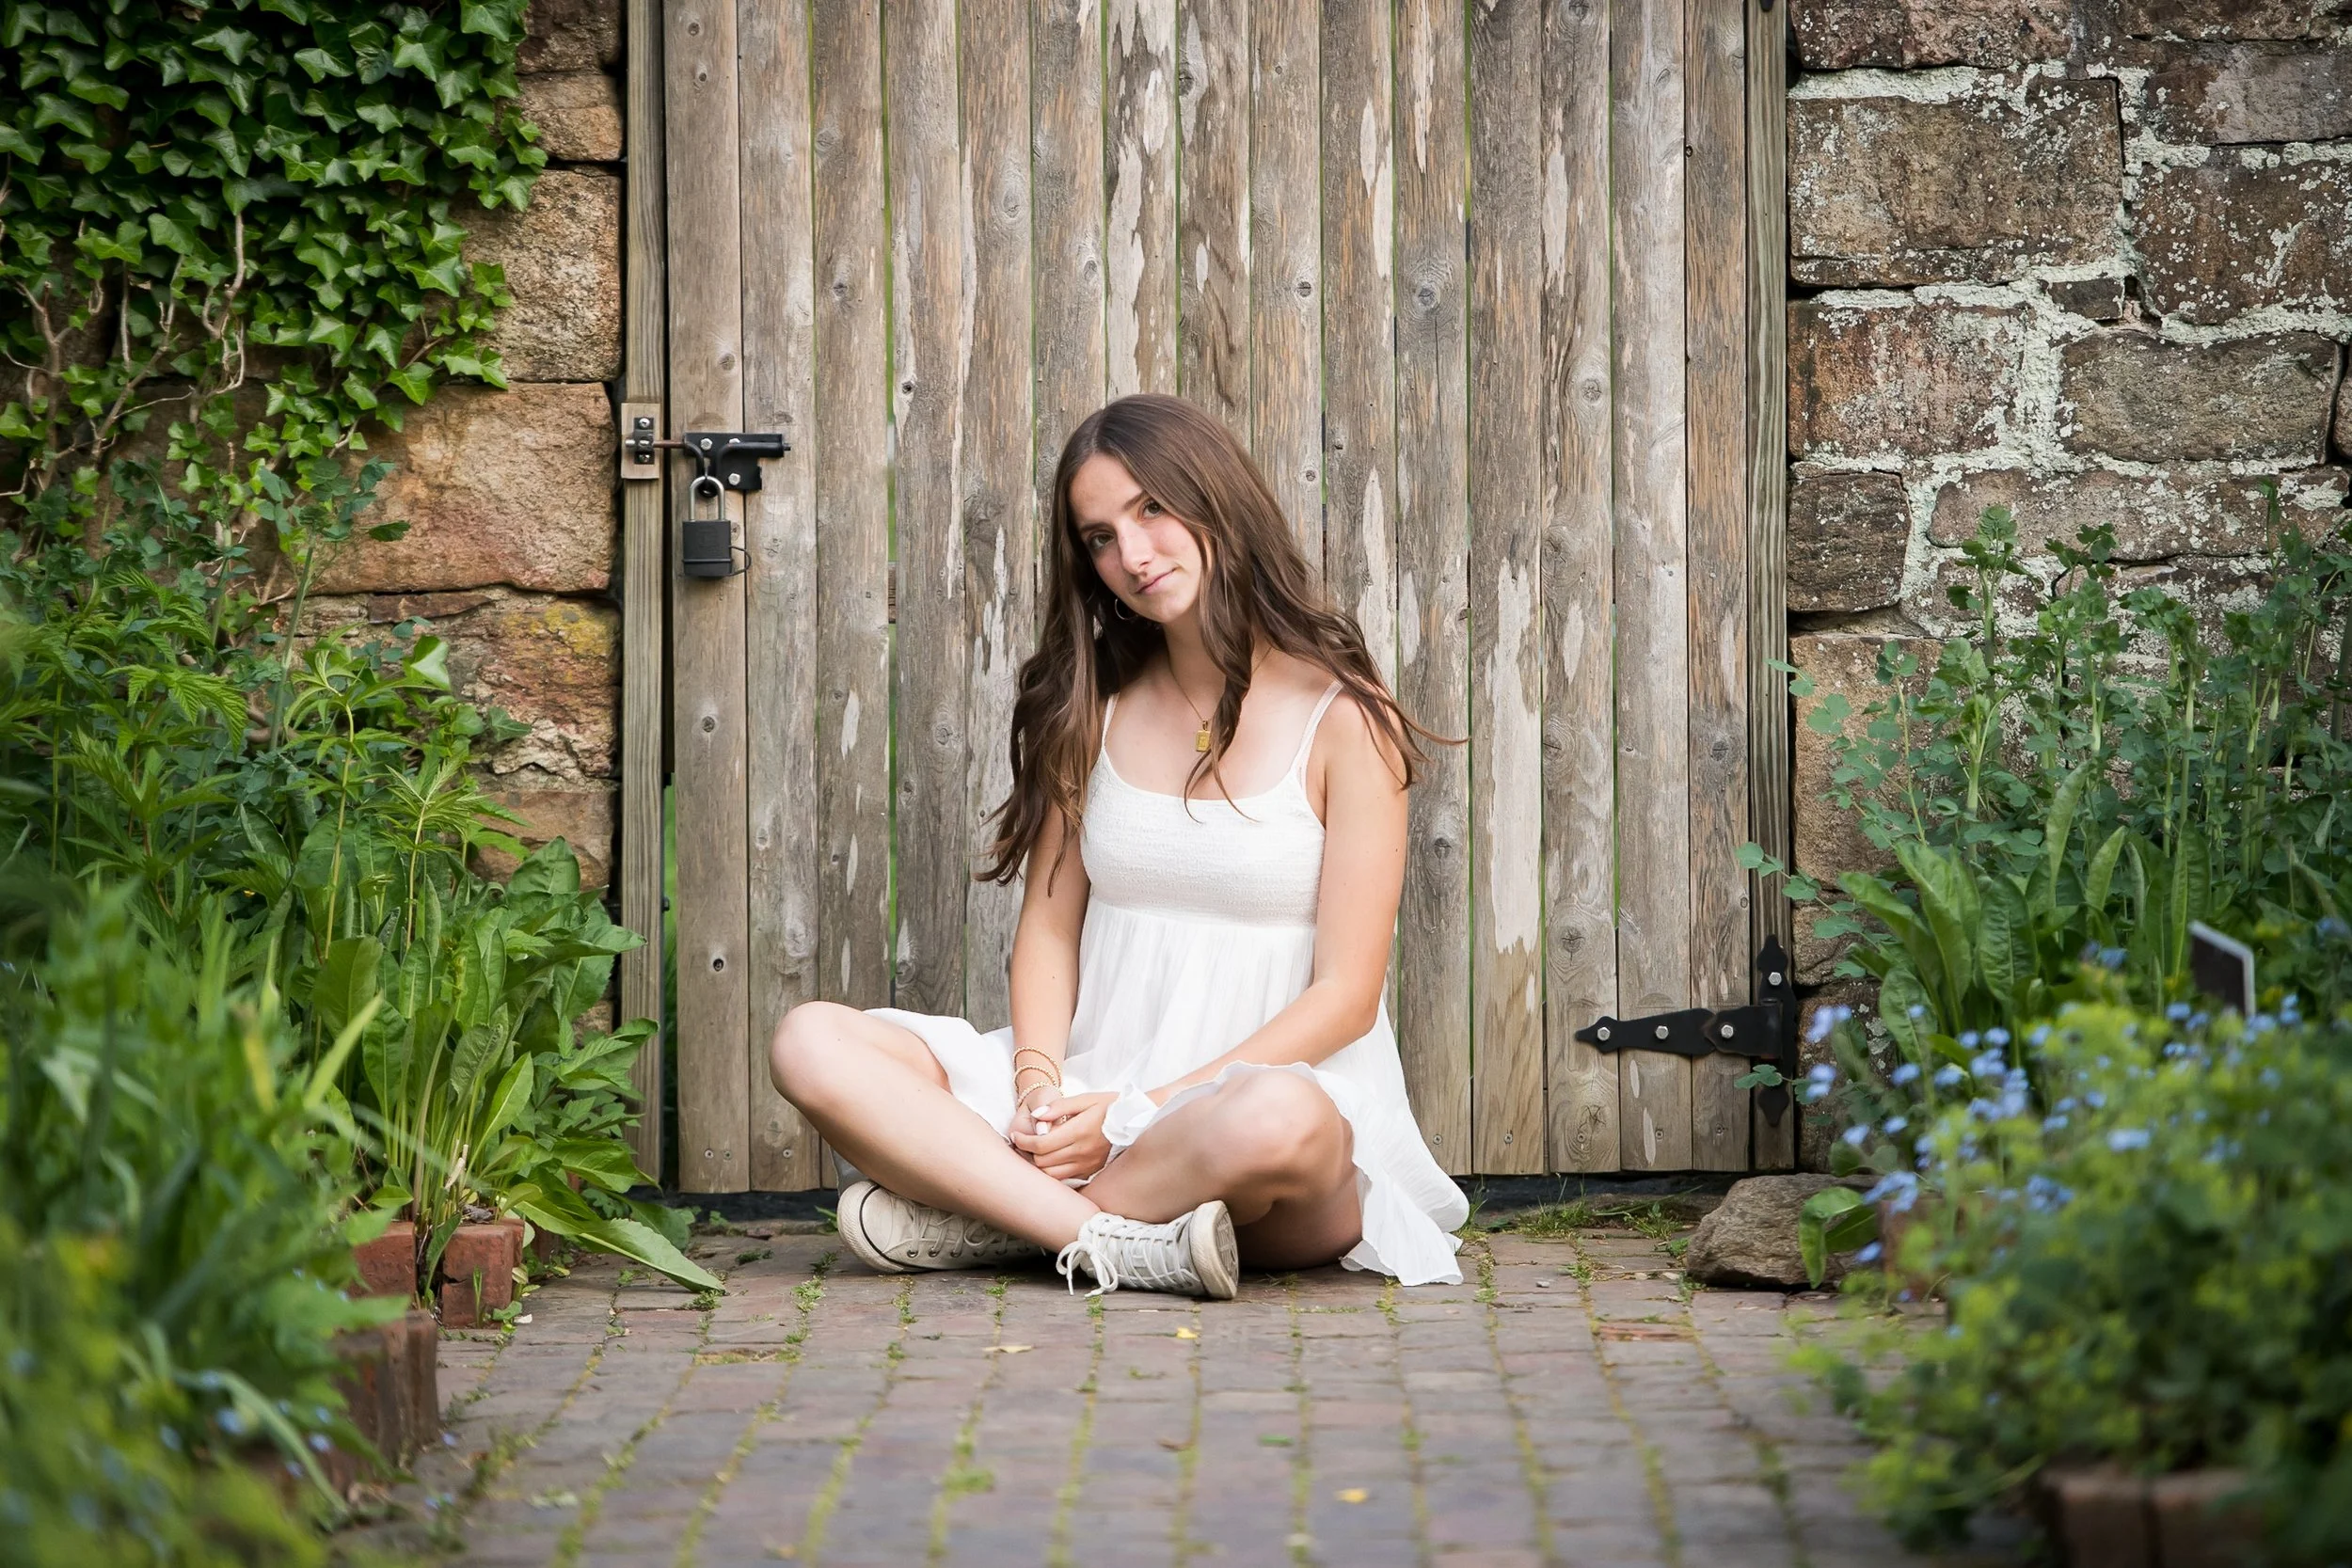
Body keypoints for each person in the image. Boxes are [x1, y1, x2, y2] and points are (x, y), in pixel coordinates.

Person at [770, 393, 1469, 1298]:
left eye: (1151, 510)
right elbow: (1050, 931)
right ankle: (1099, 1237)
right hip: (1090, 1098)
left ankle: (995, 1217)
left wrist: (1143, 1113)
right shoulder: (1092, 709)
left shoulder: (1345, 720)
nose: (1131, 555)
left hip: (1242, 1130)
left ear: (1218, 500)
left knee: (1276, 1117)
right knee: (810, 1042)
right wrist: (1038, 1091)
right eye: (1099, 536)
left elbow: (1344, 995)